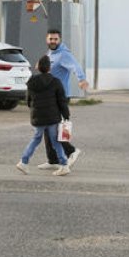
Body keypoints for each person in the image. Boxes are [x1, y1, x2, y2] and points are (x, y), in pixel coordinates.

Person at [38, 28, 89, 170]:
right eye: (50, 39)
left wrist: (81, 79)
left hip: (60, 97)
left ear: (59, 40)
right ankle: (53, 160)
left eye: (55, 39)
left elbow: (75, 66)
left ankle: (71, 151)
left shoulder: (64, 54)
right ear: (47, 39)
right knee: (47, 129)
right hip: (50, 97)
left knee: (56, 128)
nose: (53, 41)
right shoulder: (50, 53)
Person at [17, 55, 71, 177]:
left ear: (38, 67)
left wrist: (35, 110)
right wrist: (66, 115)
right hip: (52, 117)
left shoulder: (31, 82)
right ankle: (64, 165)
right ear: (49, 68)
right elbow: (62, 101)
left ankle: (23, 162)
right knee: (56, 141)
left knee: (36, 139)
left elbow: (28, 101)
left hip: (38, 116)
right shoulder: (56, 82)